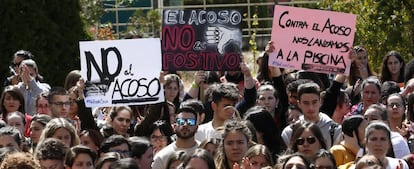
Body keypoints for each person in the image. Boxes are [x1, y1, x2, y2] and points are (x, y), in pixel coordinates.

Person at [282, 82, 341, 149]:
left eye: (314, 102)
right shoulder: (289, 132)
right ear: (299, 104)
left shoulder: (336, 130)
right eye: (306, 103)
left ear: (320, 102)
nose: (311, 107)